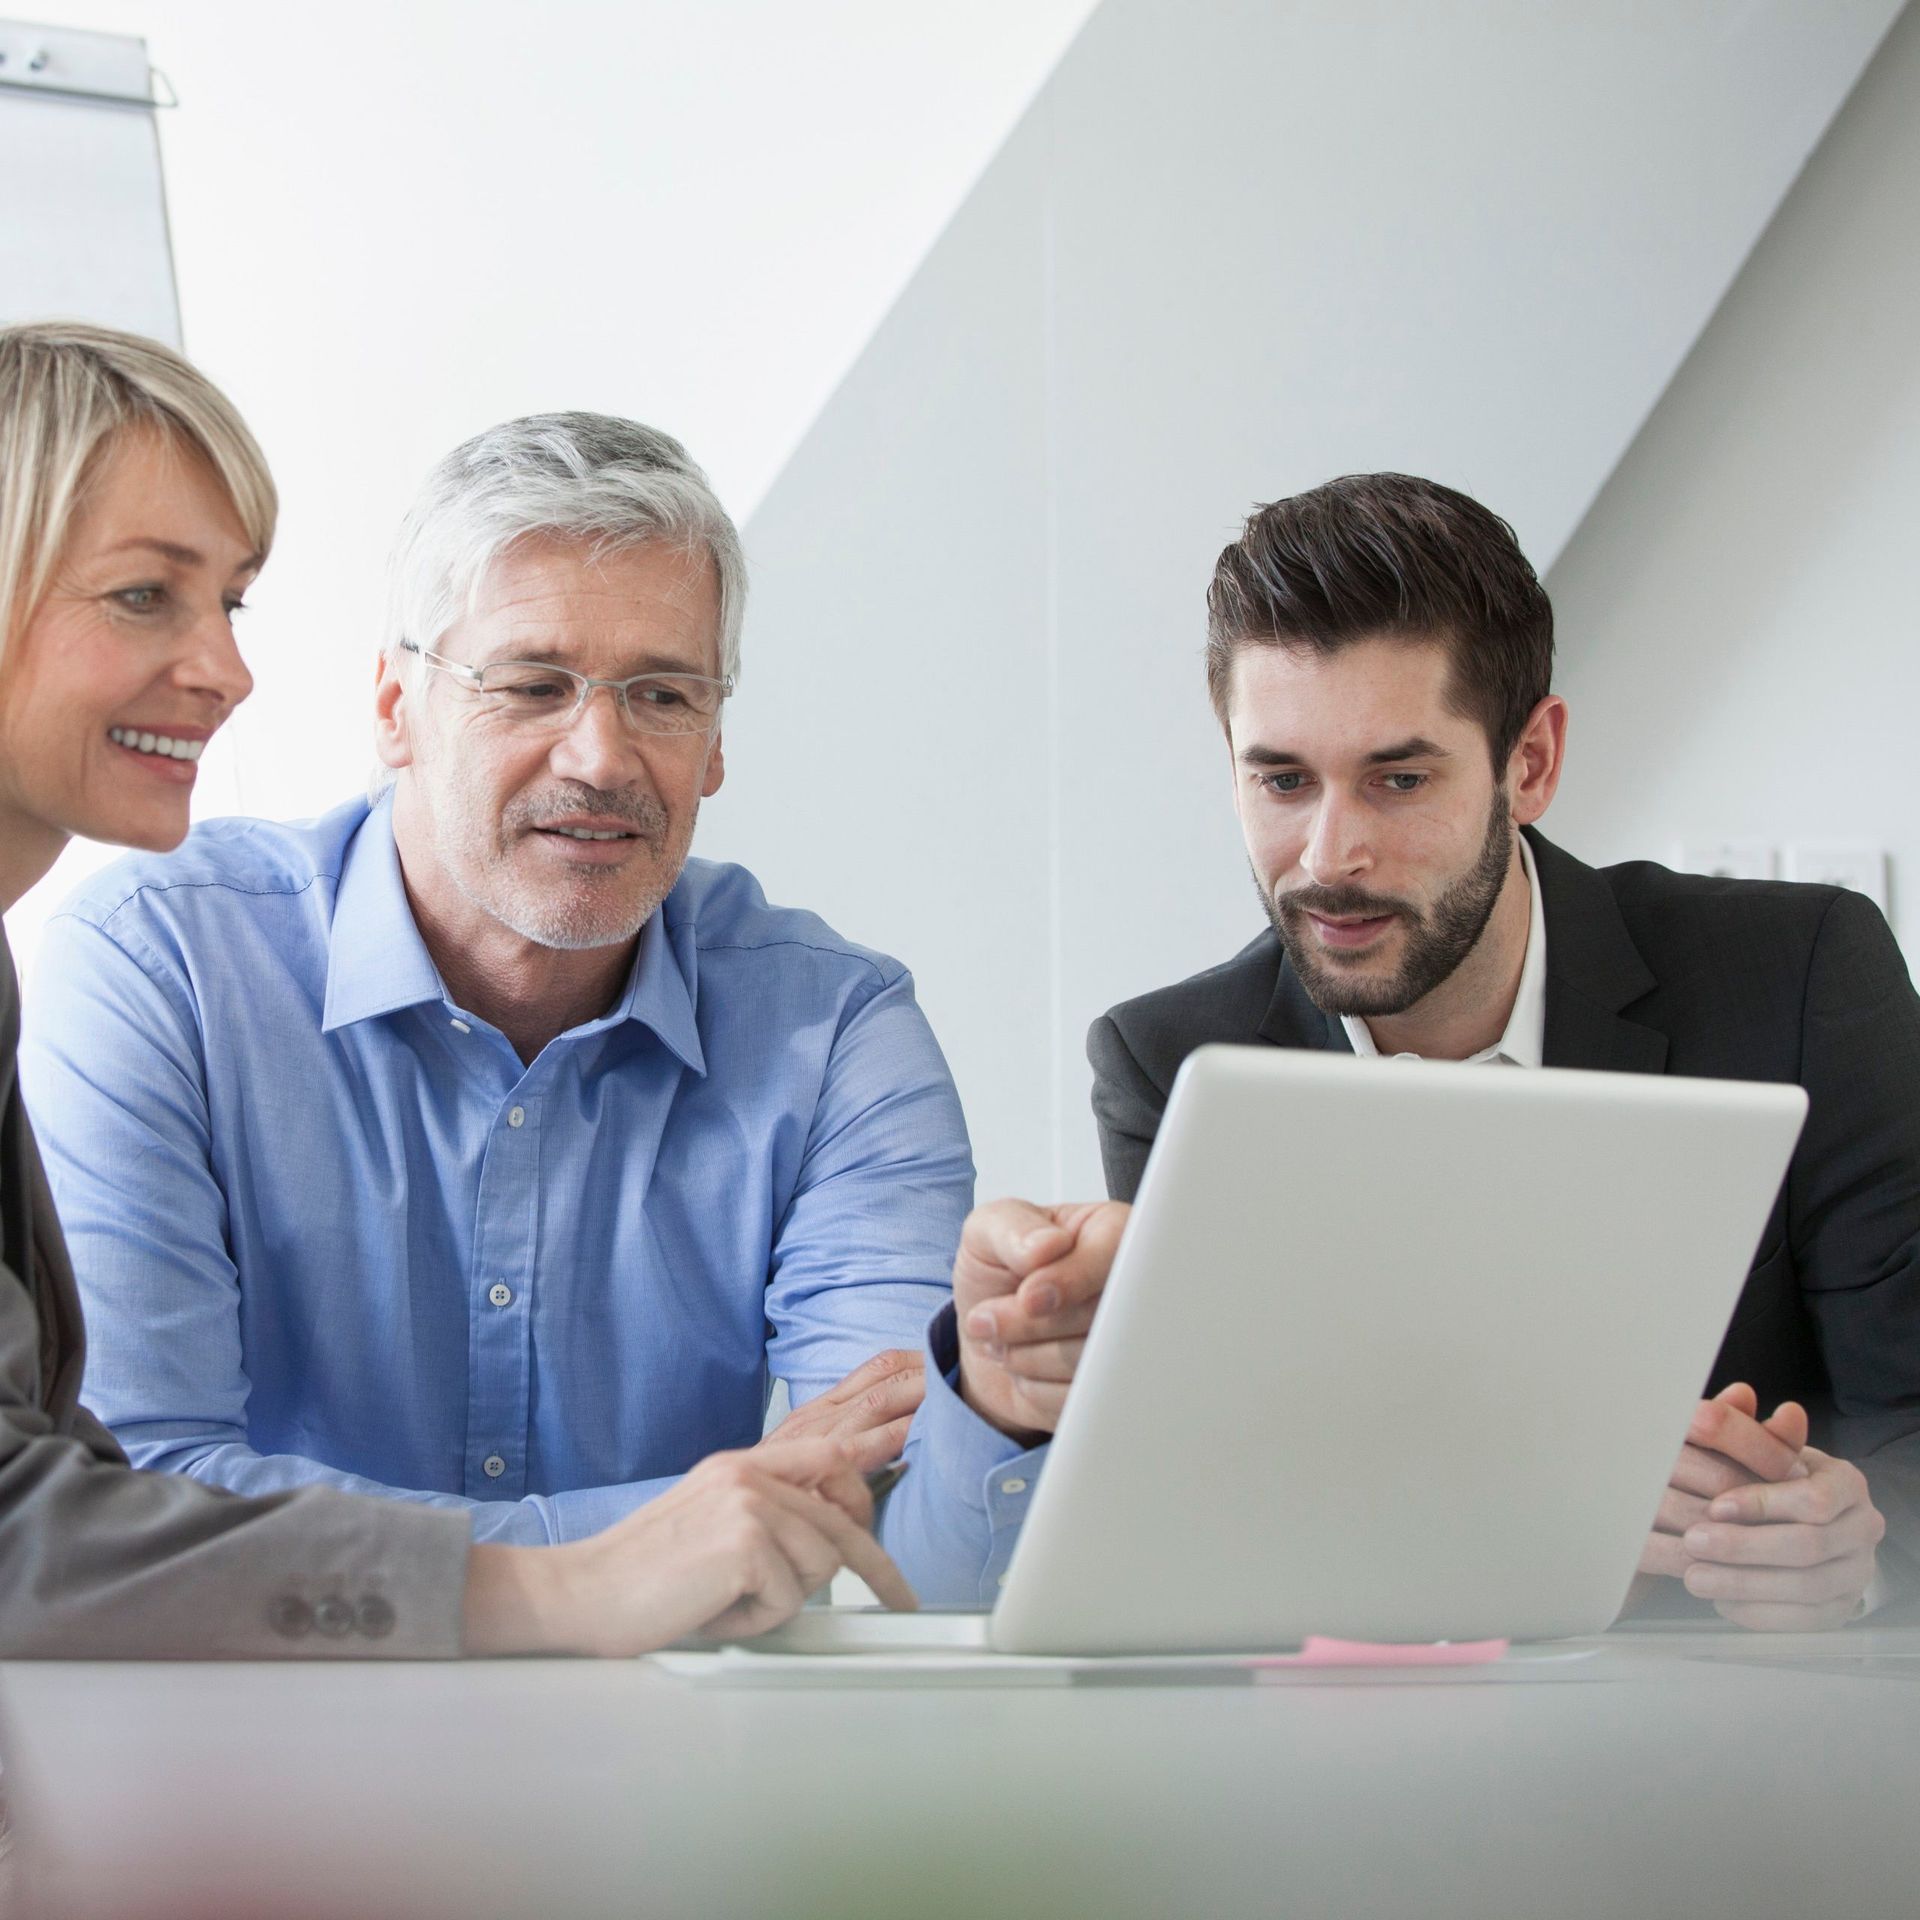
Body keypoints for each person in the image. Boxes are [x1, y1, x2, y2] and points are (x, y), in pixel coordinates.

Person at [21, 405, 1040, 1606]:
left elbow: (890, 1546)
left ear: (717, 740)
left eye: (662, 694)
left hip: (680, 1775)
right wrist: (644, 1553)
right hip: (267, 1757)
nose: (601, 756)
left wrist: (998, 1405)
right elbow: (145, 1500)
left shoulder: (836, 1035)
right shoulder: (162, 972)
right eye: (533, 684)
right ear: (396, 709)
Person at [955, 472, 1918, 1632]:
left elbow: (1907, 1429)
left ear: (1532, 763)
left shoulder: (1803, 974)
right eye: (1280, 780)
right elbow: (1225, 1515)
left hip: (1743, 1741)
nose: (1328, 855)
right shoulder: (1171, 1059)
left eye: (1399, 779)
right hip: (1354, 1742)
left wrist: (1855, 1552)